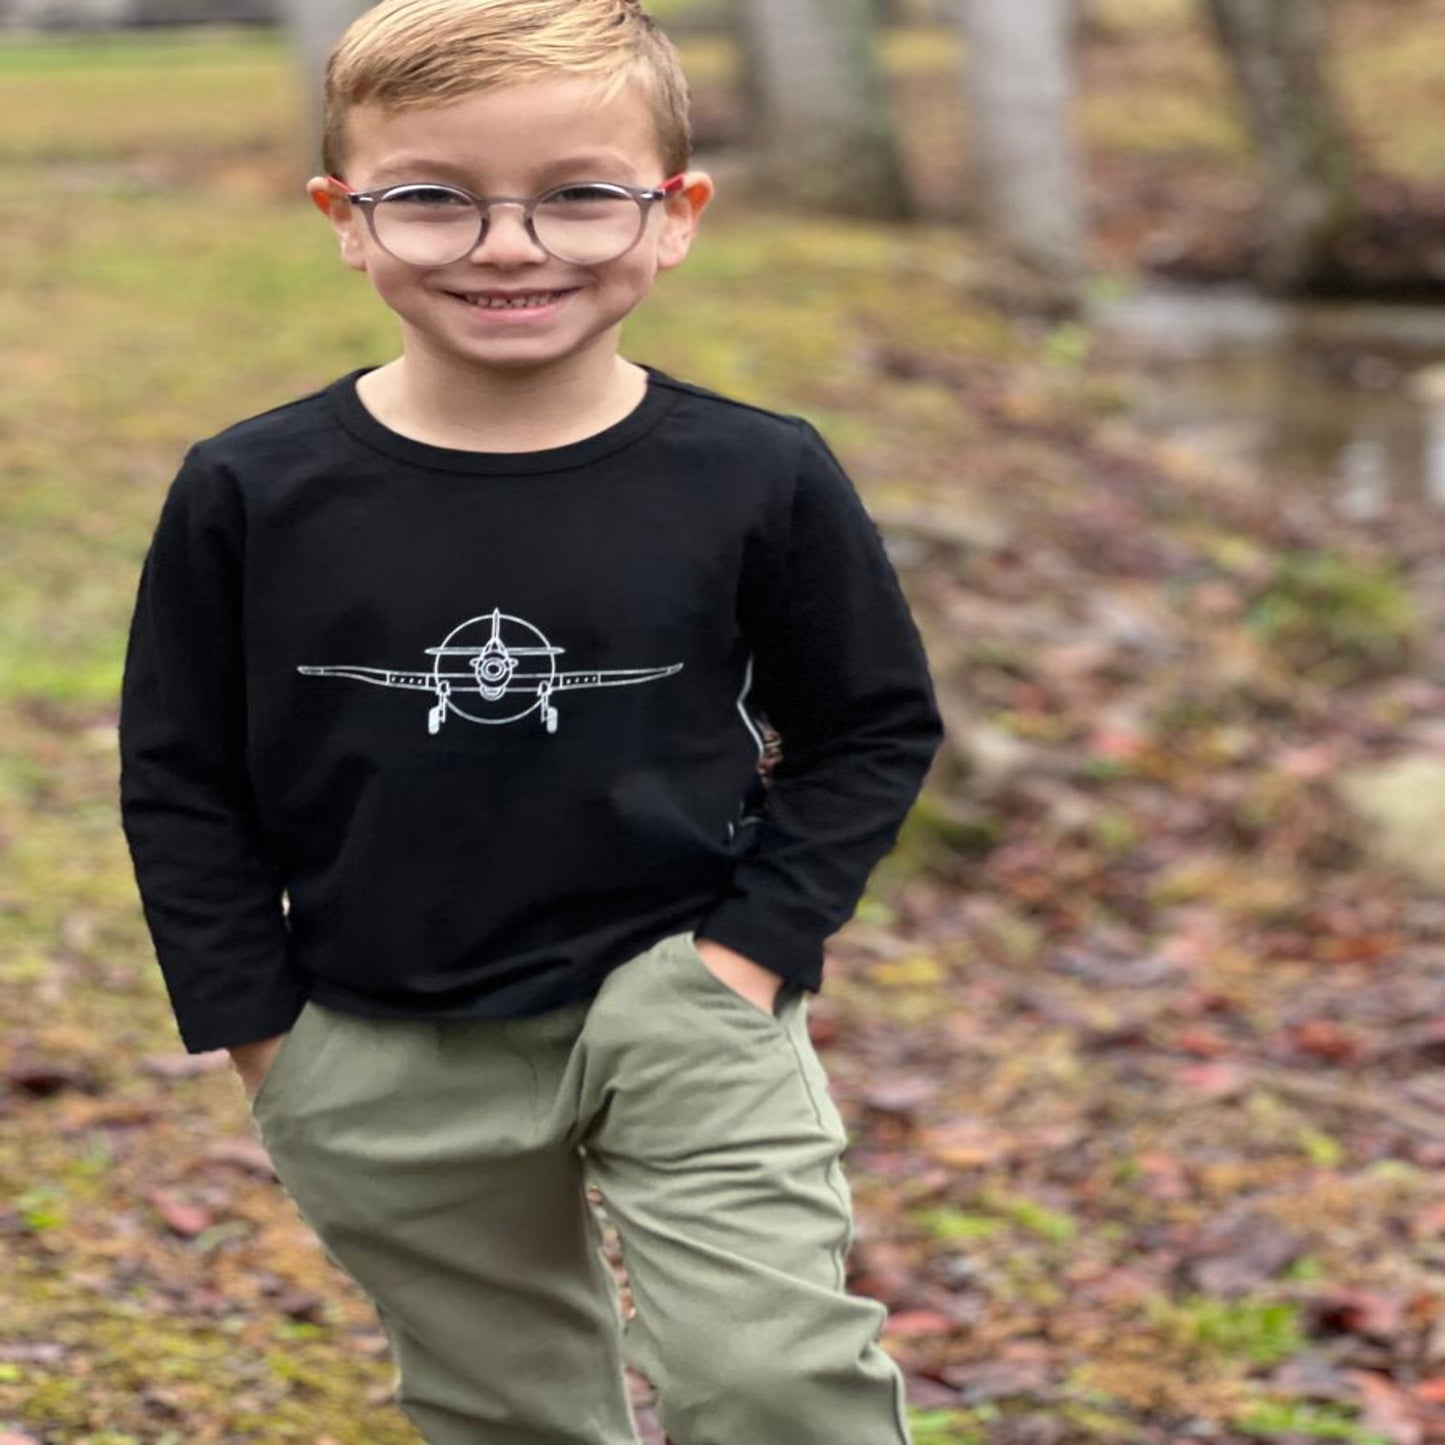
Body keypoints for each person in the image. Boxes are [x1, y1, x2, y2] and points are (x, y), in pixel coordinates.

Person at [118, 1, 945, 1440]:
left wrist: (749, 955)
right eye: (433, 198)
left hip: (684, 998)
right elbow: (179, 776)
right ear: (345, 217)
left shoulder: (757, 473)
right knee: (509, 1410)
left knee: (774, 1381)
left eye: (576, 193)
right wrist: (264, 1031)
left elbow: (869, 725)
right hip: (376, 1031)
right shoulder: (250, 491)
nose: (509, 246)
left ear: (675, 212)